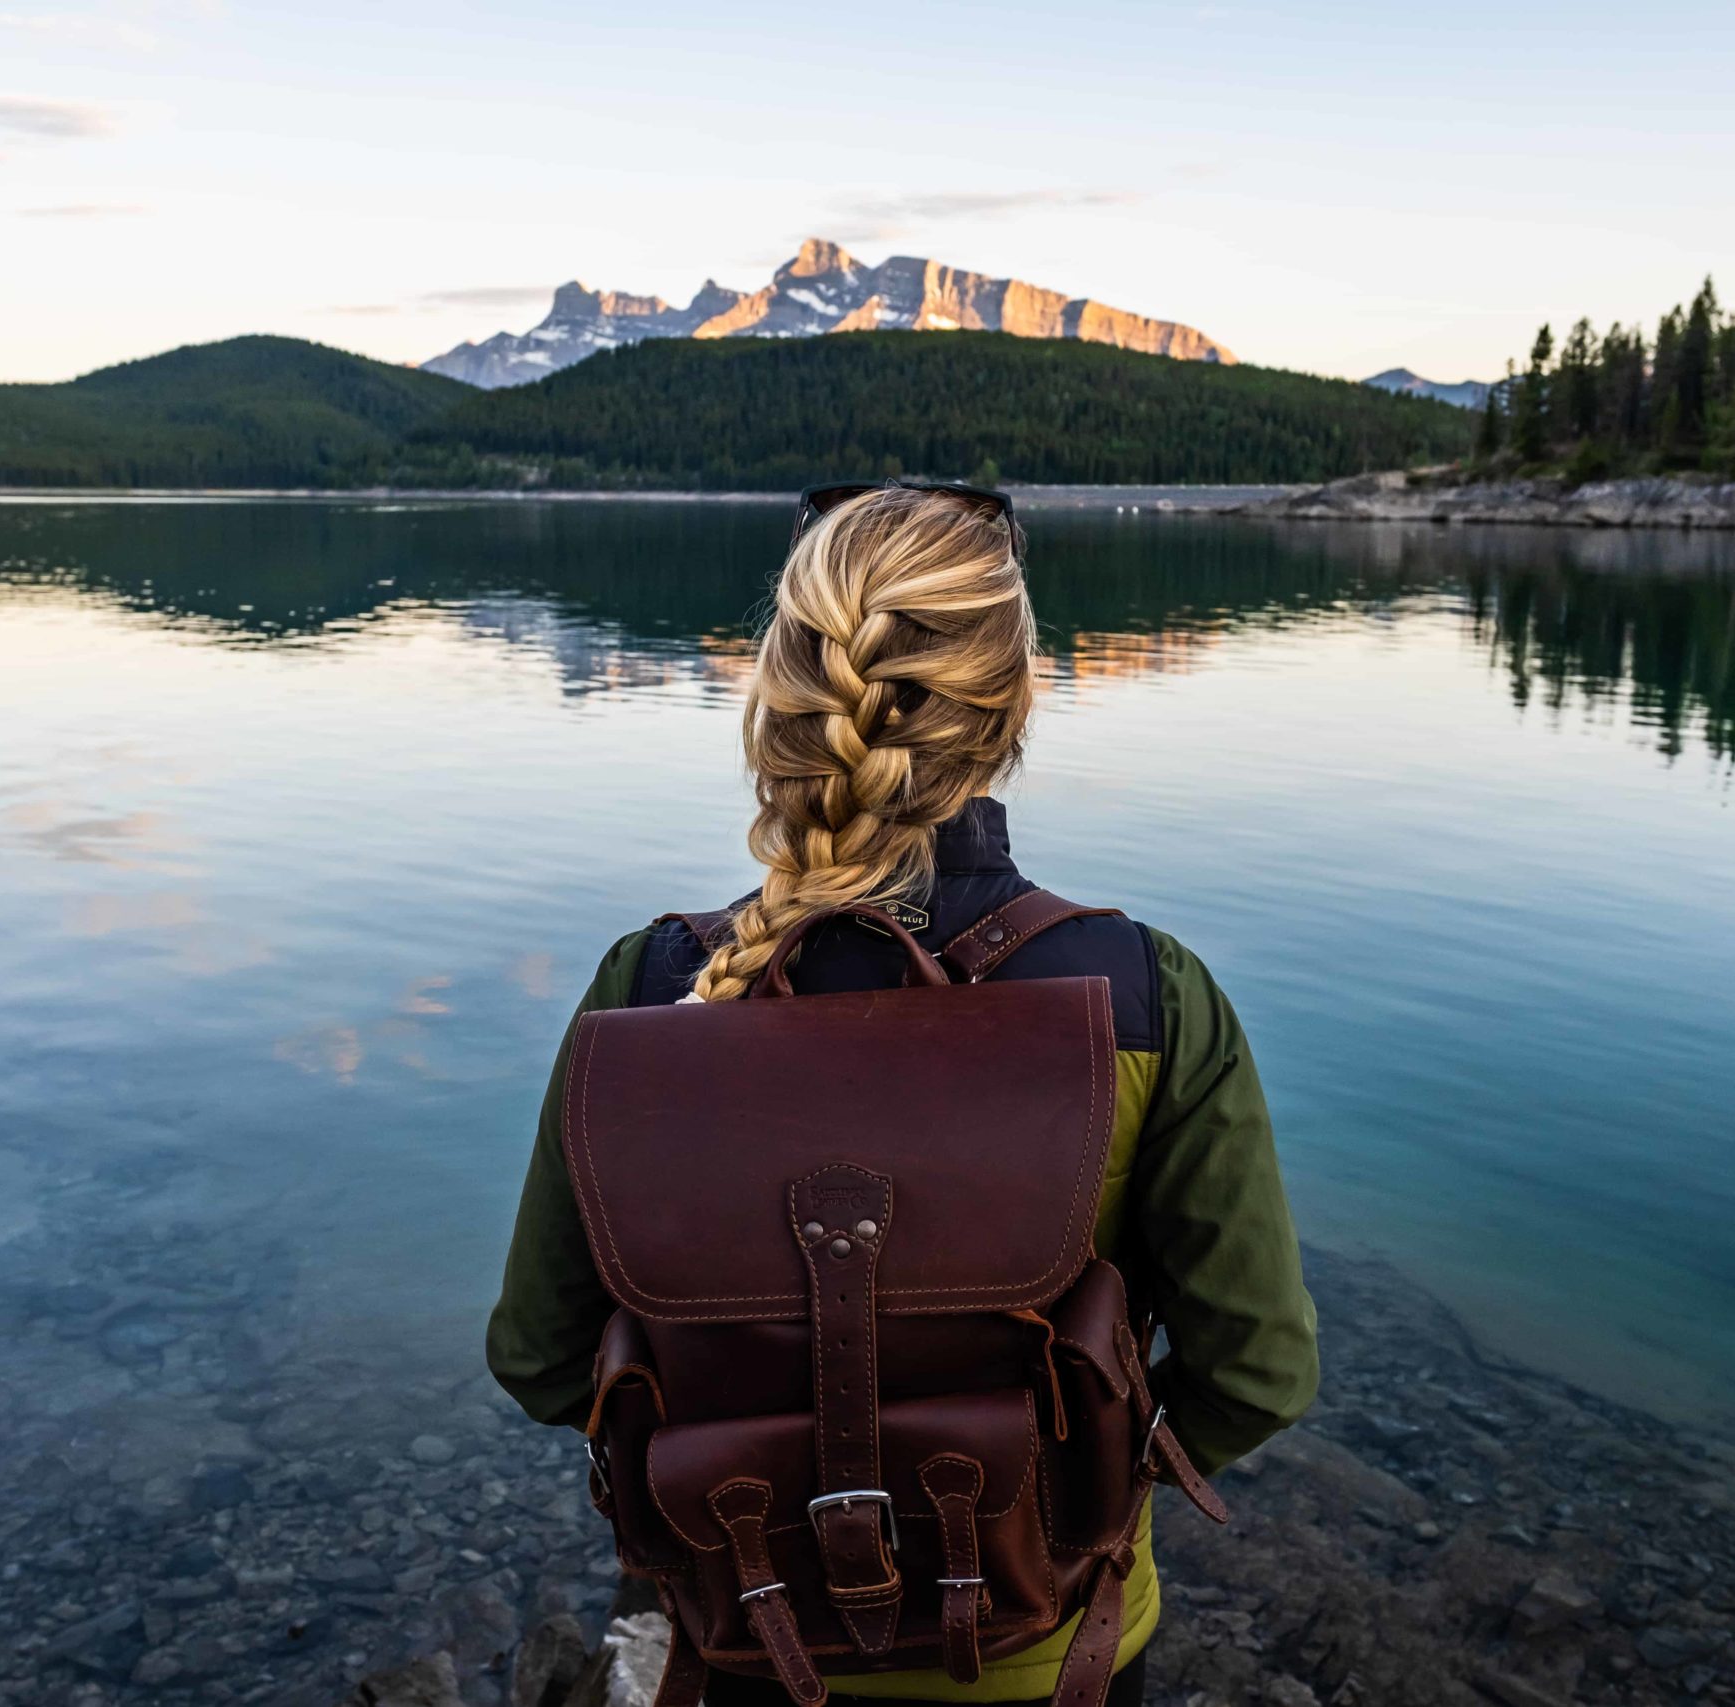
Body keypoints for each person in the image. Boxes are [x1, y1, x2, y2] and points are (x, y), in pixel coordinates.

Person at [488, 482, 1318, 1707]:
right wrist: (1076, 1481)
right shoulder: (1147, 994)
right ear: (1016, 701)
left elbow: (542, 1358)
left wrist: (737, 1468)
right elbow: (1256, 1373)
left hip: (749, 1635)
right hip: (1051, 1653)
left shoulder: (654, 985)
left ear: (777, 696)